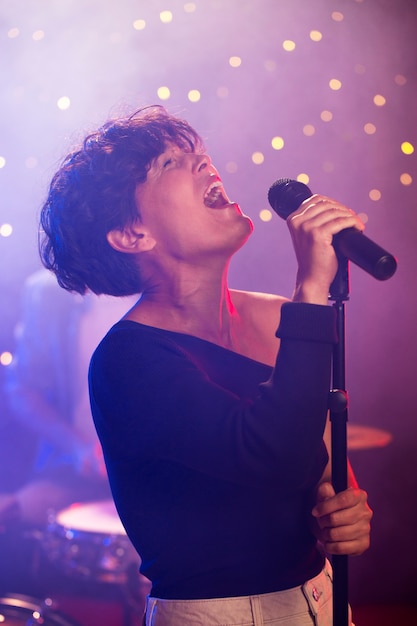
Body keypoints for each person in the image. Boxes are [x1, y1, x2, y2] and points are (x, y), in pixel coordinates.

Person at [38, 105, 372, 625]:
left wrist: (345, 508)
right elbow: (271, 454)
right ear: (132, 235)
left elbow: (322, 454)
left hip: (321, 599)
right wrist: (310, 289)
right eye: (172, 162)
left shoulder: (275, 317)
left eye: (201, 155)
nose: (205, 165)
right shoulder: (127, 361)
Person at [0, 268, 136, 529]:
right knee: (17, 515)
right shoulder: (48, 291)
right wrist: (76, 446)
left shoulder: (175, 285)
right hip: (73, 473)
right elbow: (22, 390)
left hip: (159, 476)